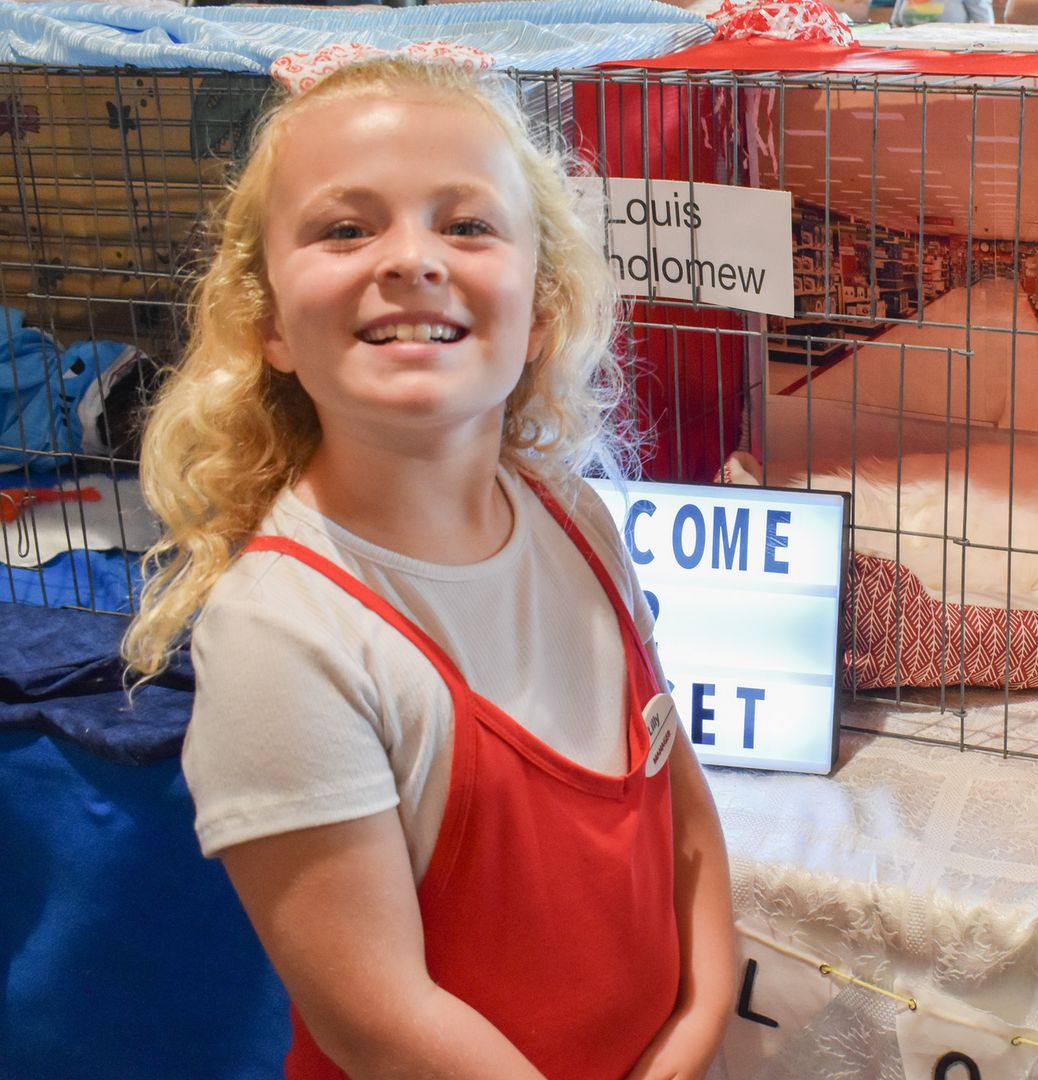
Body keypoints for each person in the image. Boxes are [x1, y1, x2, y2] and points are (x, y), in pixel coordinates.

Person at [121, 57, 736, 1079]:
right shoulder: (287, 634)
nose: (411, 259)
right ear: (267, 321)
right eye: (346, 228)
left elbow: (681, 817)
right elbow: (384, 1024)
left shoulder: (576, 520)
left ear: (540, 310)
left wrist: (701, 1019)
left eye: (467, 225)